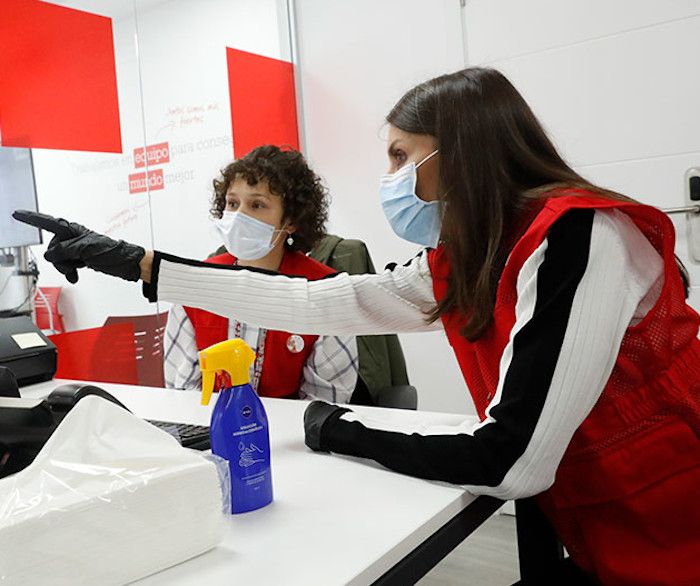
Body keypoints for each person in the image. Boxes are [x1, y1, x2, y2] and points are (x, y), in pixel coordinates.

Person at [15, 67, 700, 586]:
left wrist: (341, 431)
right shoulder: (469, 256)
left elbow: (510, 459)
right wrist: (135, 263)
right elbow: (313, 302)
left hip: (673, 520)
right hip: (594, 514)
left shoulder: (580, 239)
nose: (390, 176)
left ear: (460, 155)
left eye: (403, 157)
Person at [163, 145, 358, 403]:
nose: (238, 216)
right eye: (232, 203)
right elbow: (183, 398)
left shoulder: (325, 293)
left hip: (294, 437)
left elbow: (323, 406)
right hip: (212, 434)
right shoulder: (194, 287)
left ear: (290, 220)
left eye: (257, 205)